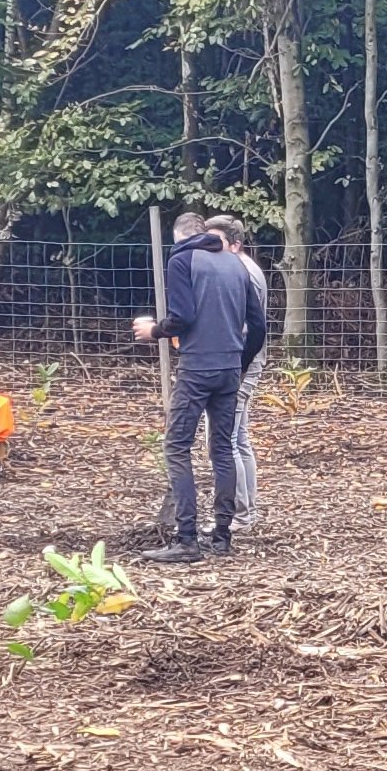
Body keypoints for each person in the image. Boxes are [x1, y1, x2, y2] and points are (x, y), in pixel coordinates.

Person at [132, 211, 269, 561]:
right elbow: (258, 325)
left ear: (181, 237)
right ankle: (222, 537)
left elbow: (183, 318)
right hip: (228, 370)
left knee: (177, 448)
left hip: (196, 368)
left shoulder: (181, 259)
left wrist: (155, 331)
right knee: (222, 450)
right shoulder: (237, 265)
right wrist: (239, 363)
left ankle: (187, 540)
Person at [209, 215, 267, 519]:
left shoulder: (243, 273)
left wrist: (239, 366)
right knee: (238, 438)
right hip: (242, 362)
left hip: (241, 363)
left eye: (216, 241)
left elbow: (251, 327)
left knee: (225, 439)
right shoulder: (242, 268)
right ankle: (247, 510)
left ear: (235, 243)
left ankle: (239, 514)